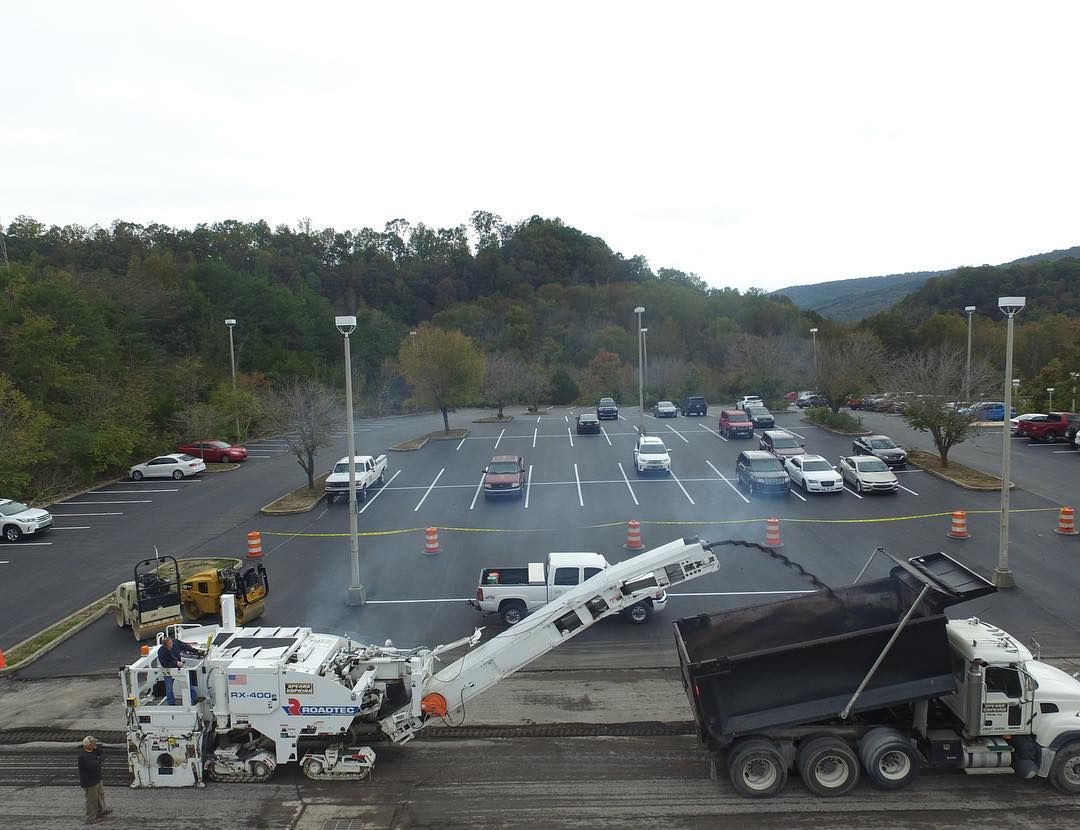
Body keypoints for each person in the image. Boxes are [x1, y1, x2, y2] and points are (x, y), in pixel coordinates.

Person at [157, 636, 203, 705]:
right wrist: (175, 663)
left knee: (187, 683)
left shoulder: (175, 643)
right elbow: (164, 664)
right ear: (164, 645)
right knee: (169, 687)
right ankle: (171, 703)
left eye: (170, 643)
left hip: (178, 667)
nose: (170, 646)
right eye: (168, 645)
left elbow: (185, 646)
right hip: (168, 670)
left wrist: (196, 651)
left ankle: (195, 698)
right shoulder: (161, 652)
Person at [78, 736, 110, 824]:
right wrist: (99, 759)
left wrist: (98, 759)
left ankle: (100, 811)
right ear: (87, 745)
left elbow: (102, 754)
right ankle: (90, 818)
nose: (95, 745)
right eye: (93, 743)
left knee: (100, 796)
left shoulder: (94, 749)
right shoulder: (83, 756)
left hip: (97, 778)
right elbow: (94, 766)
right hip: (89, 782)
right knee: (92, 800)